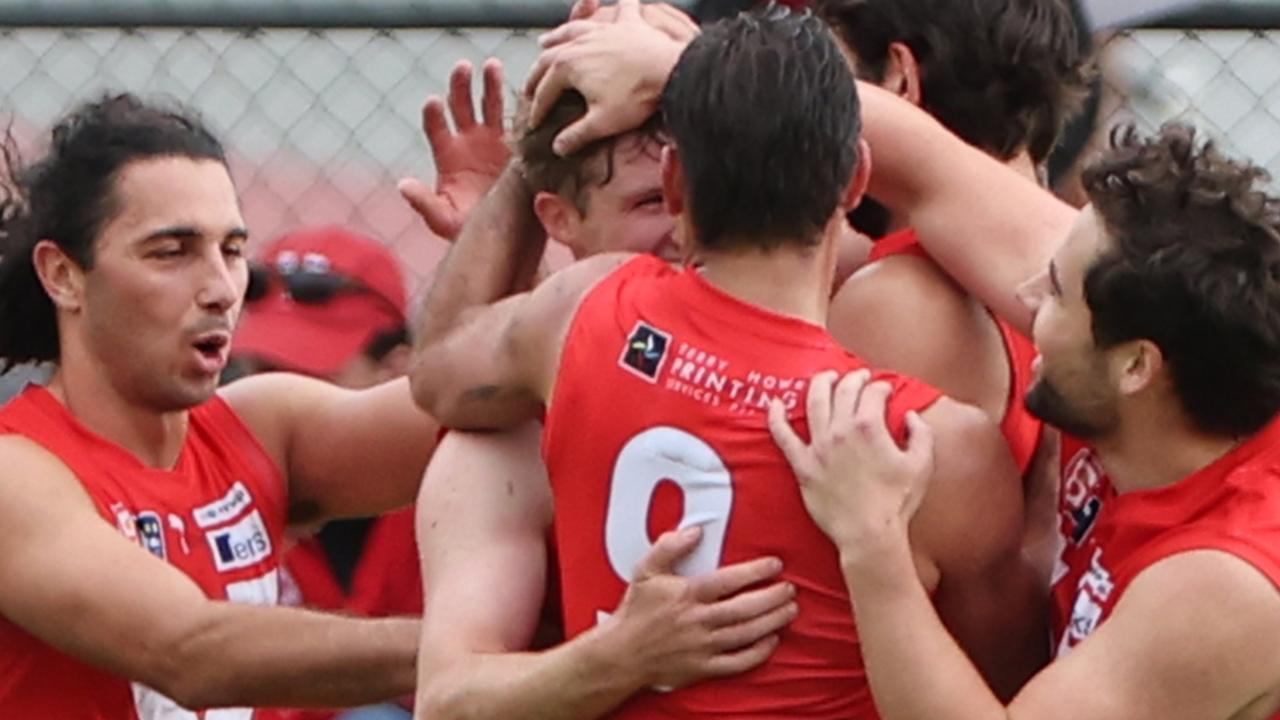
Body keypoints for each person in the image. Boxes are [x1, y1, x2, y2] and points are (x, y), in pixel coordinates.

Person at [410, 7, 1040, 717]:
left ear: (676, 181)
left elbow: (437, 373)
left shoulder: (581, 310)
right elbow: (1001, 693)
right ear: (856, 179)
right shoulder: (936, 444)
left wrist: (548, 134)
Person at [771, 118, 1280, 720]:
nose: (1028, 291)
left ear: (1137, 366)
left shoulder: (1223, 583)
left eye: (1059, 290)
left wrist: (871, 543)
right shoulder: (1159, 377)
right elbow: (930, 172)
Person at [0, 93, 439, 718]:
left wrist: (510, 222)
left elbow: (469, 407)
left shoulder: (262, 426)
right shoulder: (18, 472)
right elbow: (194, 654)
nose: (218, 289)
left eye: (231, 251)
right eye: (171, 251)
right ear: (64, 276)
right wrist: (474, 646)